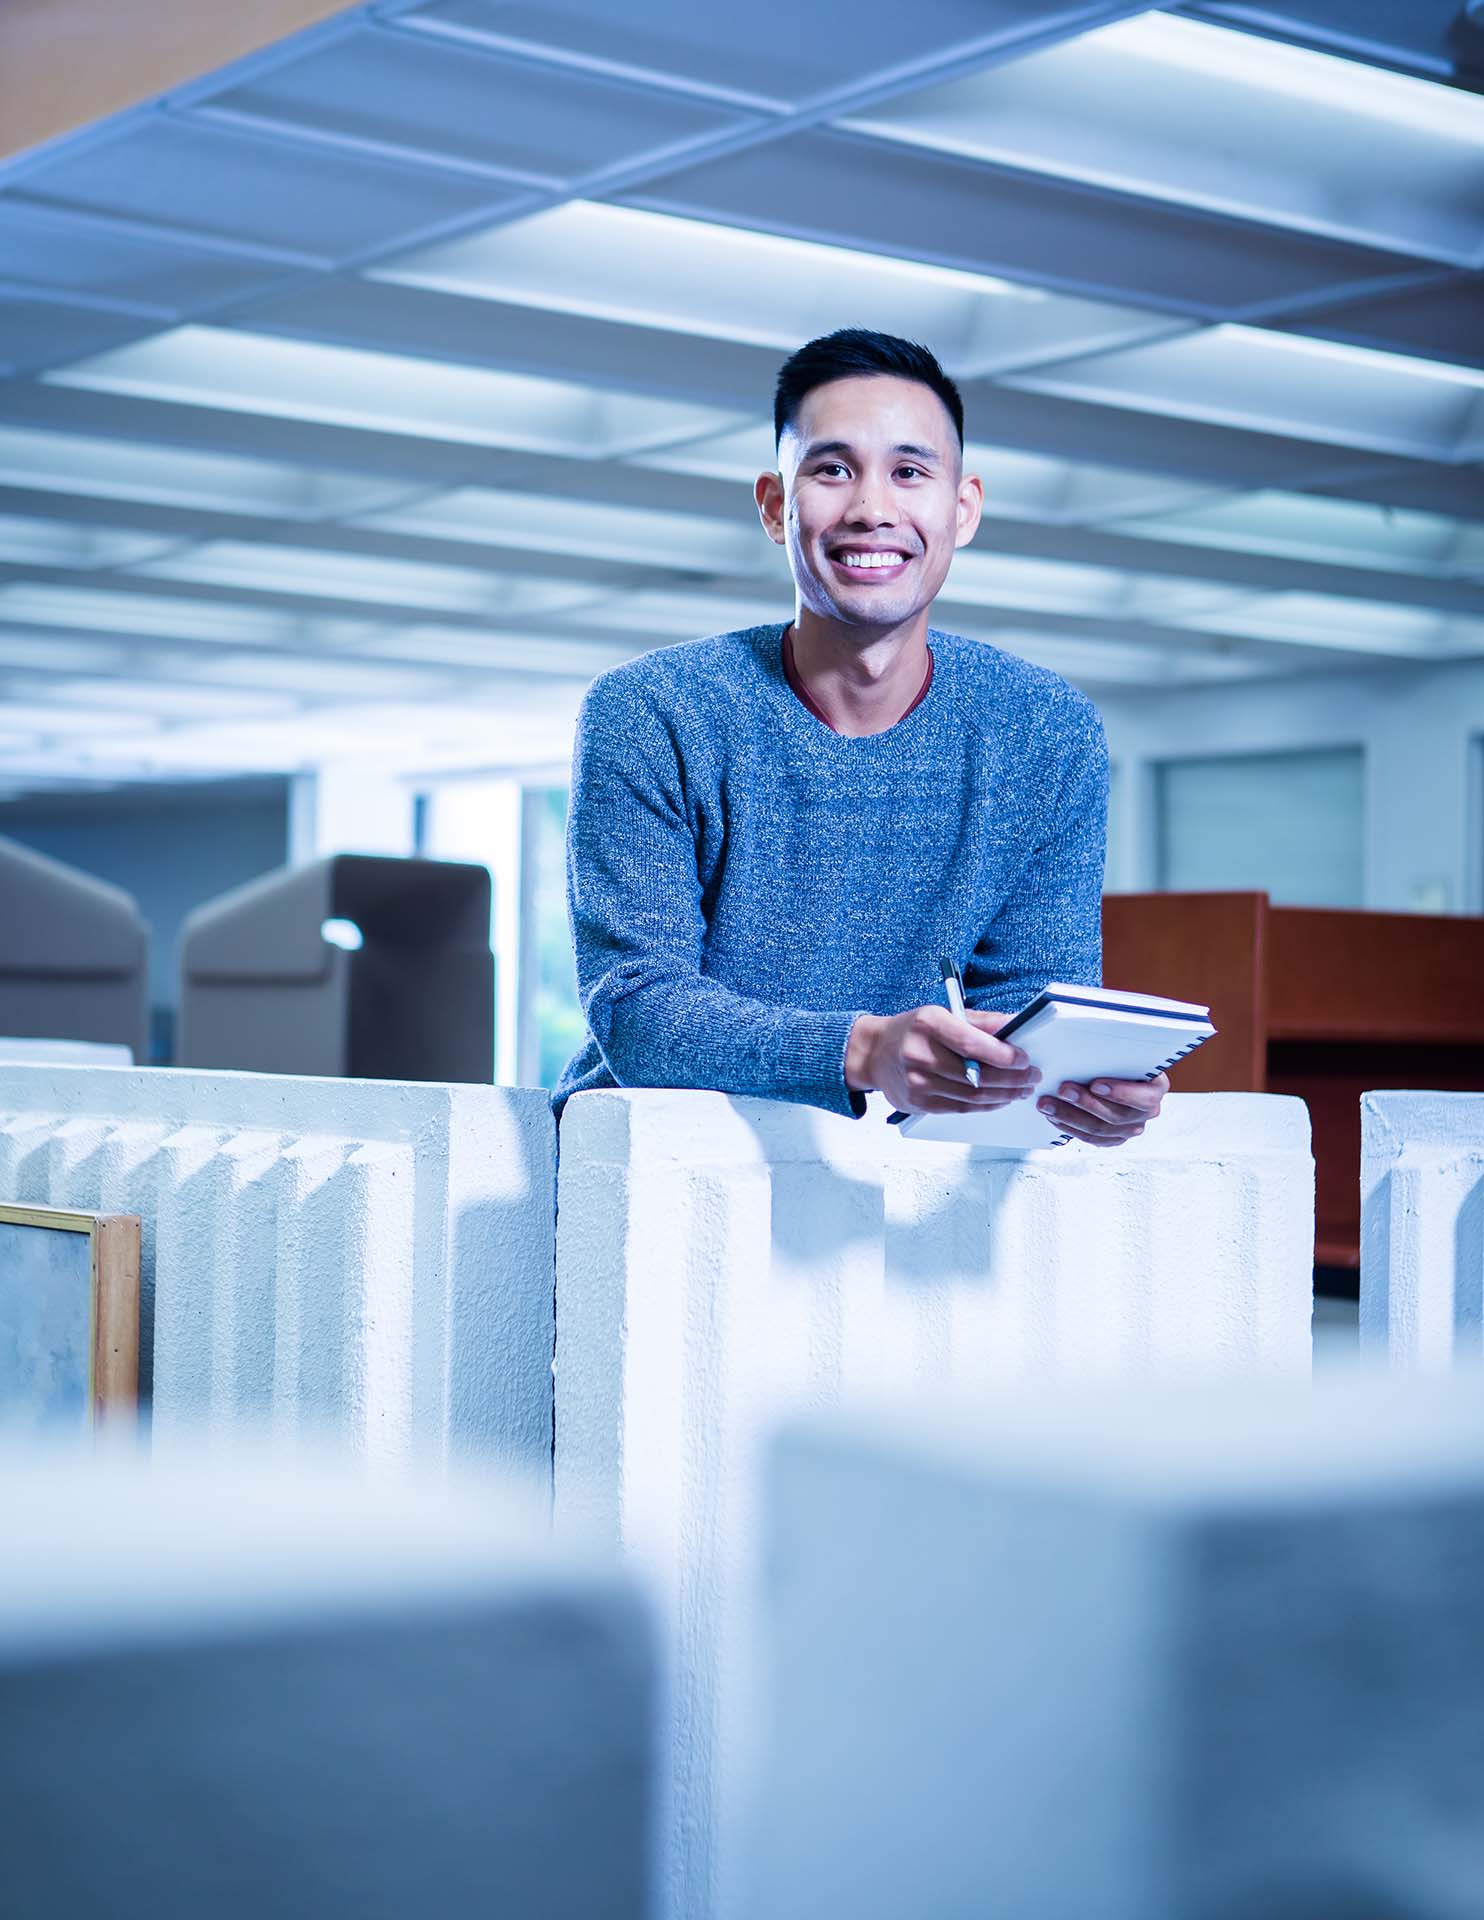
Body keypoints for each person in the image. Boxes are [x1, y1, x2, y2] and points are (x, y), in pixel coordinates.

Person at [553, 328, 1166, 1147]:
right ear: (776, 507)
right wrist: (862, 1049)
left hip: (894, 1180)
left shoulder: (1046, 732)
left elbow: (1031, 1002)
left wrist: (1073, 1082)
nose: (873, 508)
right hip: (652, 1170)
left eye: (910, 472)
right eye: (832, 469)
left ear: (963, 508)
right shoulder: (653, 711)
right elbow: (638, 1012)